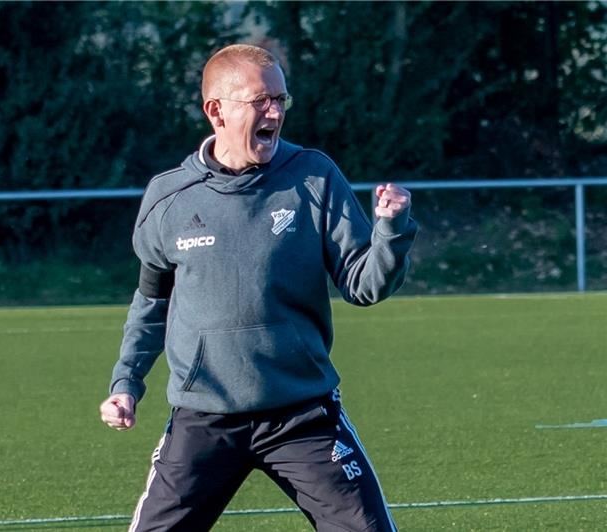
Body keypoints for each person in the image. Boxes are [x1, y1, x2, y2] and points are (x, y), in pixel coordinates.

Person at [99, 43, 417, 531]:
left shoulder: (313, 176)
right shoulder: (168, 198)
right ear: (216, 111)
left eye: (281, 100)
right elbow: (151, 302)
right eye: (261, 100)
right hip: (203, 418)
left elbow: (362, 284)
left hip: (303, 417)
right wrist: (126, 383)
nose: (275, 112)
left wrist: (390, 231)